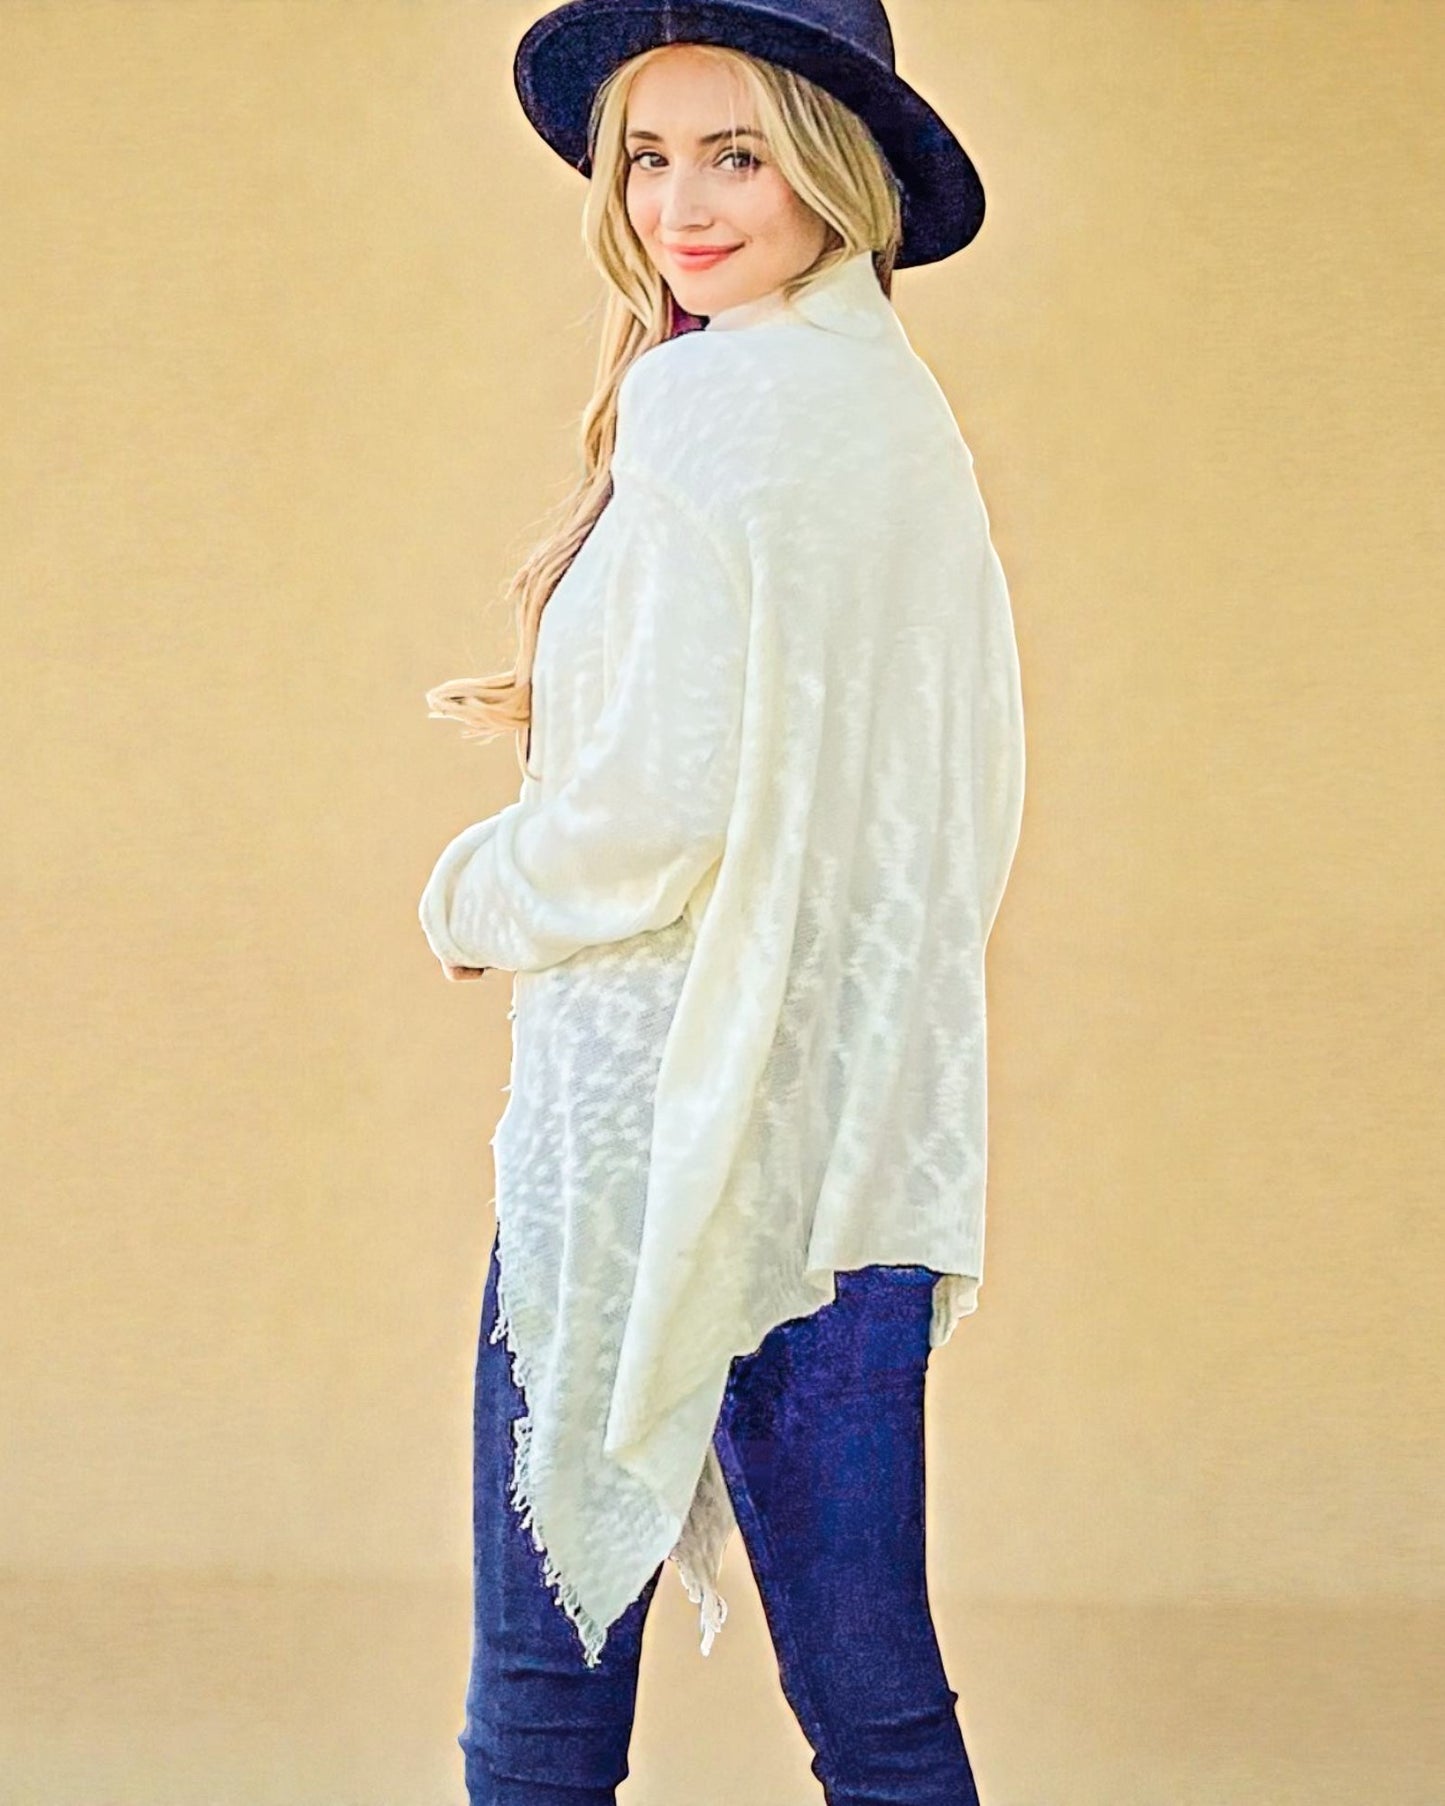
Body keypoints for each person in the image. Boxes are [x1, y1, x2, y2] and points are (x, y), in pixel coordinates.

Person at [417, 2, 1026, 1800]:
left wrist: (476, 888)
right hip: (847, 1138)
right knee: (871, 1691)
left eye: (736, 152)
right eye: (647, 157)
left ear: (836, 163)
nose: (681, 203)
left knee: (540, 1684)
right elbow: (917, 766)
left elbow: (658, 818)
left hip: (659, 1141)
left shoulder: (712, 404)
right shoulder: (884, 416)